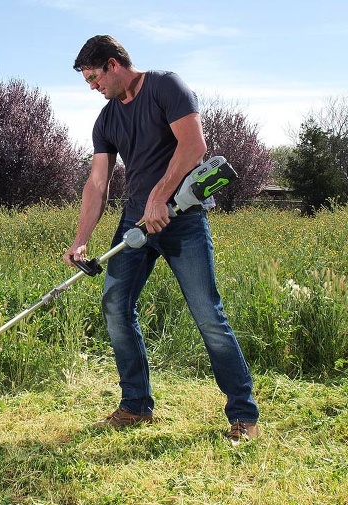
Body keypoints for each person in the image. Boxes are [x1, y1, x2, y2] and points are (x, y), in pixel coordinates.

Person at [63, 35, 259, 444]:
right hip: (135, 223)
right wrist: (81, 240)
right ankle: (136, 405)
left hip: (181, 219)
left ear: (114, 65)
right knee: (116, 306)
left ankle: (243, 414)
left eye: (94, 77)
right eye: (87, 81)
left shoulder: (166, 87)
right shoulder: (106, 120)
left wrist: (160, 195)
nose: (93, 87)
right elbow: (97, 183)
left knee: (208, 314)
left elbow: (194, 146)